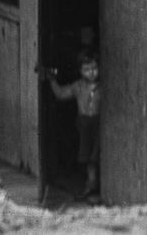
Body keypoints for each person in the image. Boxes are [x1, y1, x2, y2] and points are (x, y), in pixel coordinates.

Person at [42, 54, 101, 199]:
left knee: (98, 153)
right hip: (85, 123)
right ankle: (91, 183)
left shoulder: (104, 86)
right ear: (80, 71)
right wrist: (52, 81)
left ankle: (97, 184)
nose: (91, 72)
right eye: (87, 69)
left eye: (94, 68)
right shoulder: (78, 86)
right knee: (87, 155)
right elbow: (61, 94)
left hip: (100, 123)